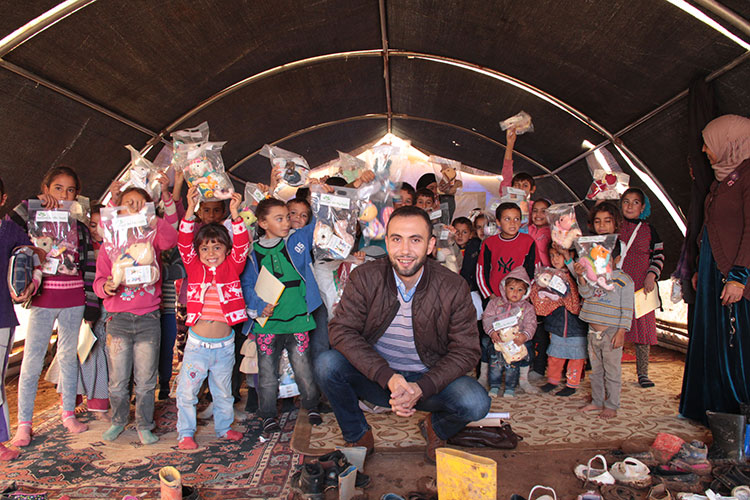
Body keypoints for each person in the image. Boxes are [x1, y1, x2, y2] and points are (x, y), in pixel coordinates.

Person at [315, 205, 490, 464]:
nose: (405, 251)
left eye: (415, 240)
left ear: (431, 245)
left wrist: (422, 386)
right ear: (386, 242)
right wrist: (389, 378)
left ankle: (436, 428)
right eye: (396, 239)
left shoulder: (453, 287)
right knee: (326, 364)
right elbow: (342, 331)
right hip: (378, 377)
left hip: (431, 381)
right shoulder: (365, 277)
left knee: (476, 403)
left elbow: (467, 351)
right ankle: (358, 435)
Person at [11, 166, 99, 447]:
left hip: (73, 299)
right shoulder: (33, 219)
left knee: (67, 356)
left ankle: (68, 413)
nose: (64, 194)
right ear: (46, 189)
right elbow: (10, 219)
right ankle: (24, 424)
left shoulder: (79, 228)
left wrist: (91, 304)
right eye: (57, 188)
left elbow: (89, 266)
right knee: (32, 359)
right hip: (44, 298)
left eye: (70, 190)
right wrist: (32, 202)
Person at [93, 186, 178, 444]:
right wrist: (105, 288)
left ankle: (144, 423)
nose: (133, 207)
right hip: (117, 320)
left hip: (148, 319)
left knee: (145, 378)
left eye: (141, 204)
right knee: (118, 380)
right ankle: (118, 420)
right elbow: (99, 281)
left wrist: (153, 219)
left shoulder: (152, 239)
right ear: (118, 210)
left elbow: (171, 239)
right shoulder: (110, 246)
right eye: (128, 203)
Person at [680, 114, 750, 424]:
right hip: (712, 274)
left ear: (729, 142)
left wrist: (739, 276)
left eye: (709, 145)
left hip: (732, 277)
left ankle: (735, 414)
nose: (706, 151)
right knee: (711, 342)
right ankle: (709, 407)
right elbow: (711, 227)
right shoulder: (725, 178)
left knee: (734, 347)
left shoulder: (748, 176)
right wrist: (700, 267)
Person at [240, 198, 323, 434]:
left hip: (299, 319)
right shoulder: (251, 252)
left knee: (303, 368)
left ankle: (311, 406)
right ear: (263, 223)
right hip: (267, 325)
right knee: (266, 373)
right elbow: (246, 285)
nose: (288, 222)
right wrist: (258, 305)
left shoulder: (297, 241)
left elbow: (318, 223)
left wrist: (319, 195)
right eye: (280, 218)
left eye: (287, 217)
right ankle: (267, 414)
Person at [175, 187, 248, 449]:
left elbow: (242, 245)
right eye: (204, 248)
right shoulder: (194, 268)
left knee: (224, 391)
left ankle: (224, 428)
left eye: (217, 246)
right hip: (197, 346)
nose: (211, 252)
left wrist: (236, 215)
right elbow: (184, 242)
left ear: (226, 250)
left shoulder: (232, 266)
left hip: (225, 346)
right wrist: (190, 209)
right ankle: (185, 432)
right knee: (188, 391)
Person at [574, 201, 634, 420]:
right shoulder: (592, 277)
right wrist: (581, 275)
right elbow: (586, 295)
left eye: (607, 221)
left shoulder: (623, 280)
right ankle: (597, 401)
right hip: (593, 331)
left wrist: (621, 331)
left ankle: (612, 404)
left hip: (611, 333)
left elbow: (628, 307)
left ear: (617, 258)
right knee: (596, 371)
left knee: (612, 372)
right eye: (597, 221)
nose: (602, 225)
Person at [0, 176, 33, 460]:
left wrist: (29, 286)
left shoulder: (11, 231)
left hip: (1, 317)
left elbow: (35, 254)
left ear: (2, 199)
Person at [619, 187, 664, 388]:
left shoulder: (649, 230)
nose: (630, 206)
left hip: (640, 285)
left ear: (643, 206)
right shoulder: (615, 226)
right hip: (617, 284)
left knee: (642, 330)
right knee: (614, 327)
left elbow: (659, 255)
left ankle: (643, 374)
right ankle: (611, 372)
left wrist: (651, 276)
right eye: (626, 201)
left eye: (635, 202)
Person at [531, 245, 587, 397]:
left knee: (576, 356)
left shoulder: (577, 274)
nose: (555, 259)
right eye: (552, 255)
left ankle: (572, 383)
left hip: (577, 324)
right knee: (555, 355)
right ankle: (553, 380)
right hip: (556, 323)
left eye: (559, 255)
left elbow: (581, 292)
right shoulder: (547, 275)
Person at [482, 267, 537, 397]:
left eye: (520, 290)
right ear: (504, 287)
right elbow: (487, 318)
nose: (515, 293)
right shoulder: (495, 303)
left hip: (516, 343)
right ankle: (494, 386)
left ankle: (510, 387)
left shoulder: (527, 308)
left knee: (512, 366)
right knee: (495, 364)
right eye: (511, 288)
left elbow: (531, 324)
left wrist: (524, 336)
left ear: (525, 291)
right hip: (499, 342)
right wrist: (492, 332)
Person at [476, 202, 537, 298]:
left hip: (520, 297)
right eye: (507, 219)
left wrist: (526, 293)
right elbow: (481, 270)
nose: (512, 223)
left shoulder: (528, 241)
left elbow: (534, 270)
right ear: (498, 222)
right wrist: (489, 294)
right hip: (495, 296)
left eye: (516, 219)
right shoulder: (489, 243)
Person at [529, 199, 552, 267]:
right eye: (535, 211)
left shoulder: (553, 233)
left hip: (547, 272)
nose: (538, 214)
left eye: (543, 211)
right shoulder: (527, 229)